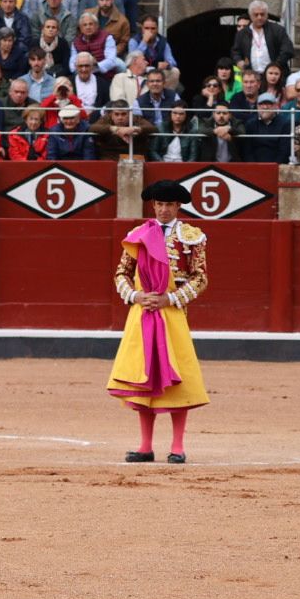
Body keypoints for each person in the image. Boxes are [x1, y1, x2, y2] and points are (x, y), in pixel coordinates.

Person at [107, 179, 209, 464]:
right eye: (160, 204)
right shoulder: (138, 235)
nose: (164, 210)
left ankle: (177, 446)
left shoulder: (192, 236)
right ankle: (145, 445)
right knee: (144, 376)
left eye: (170, 205)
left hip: (173, 313)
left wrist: (170, 299)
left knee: (179, 379)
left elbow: (200, 278)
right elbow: (120, 274)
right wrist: (137, 296)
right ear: (154, 205)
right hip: (142, 313)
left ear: (178, 206)